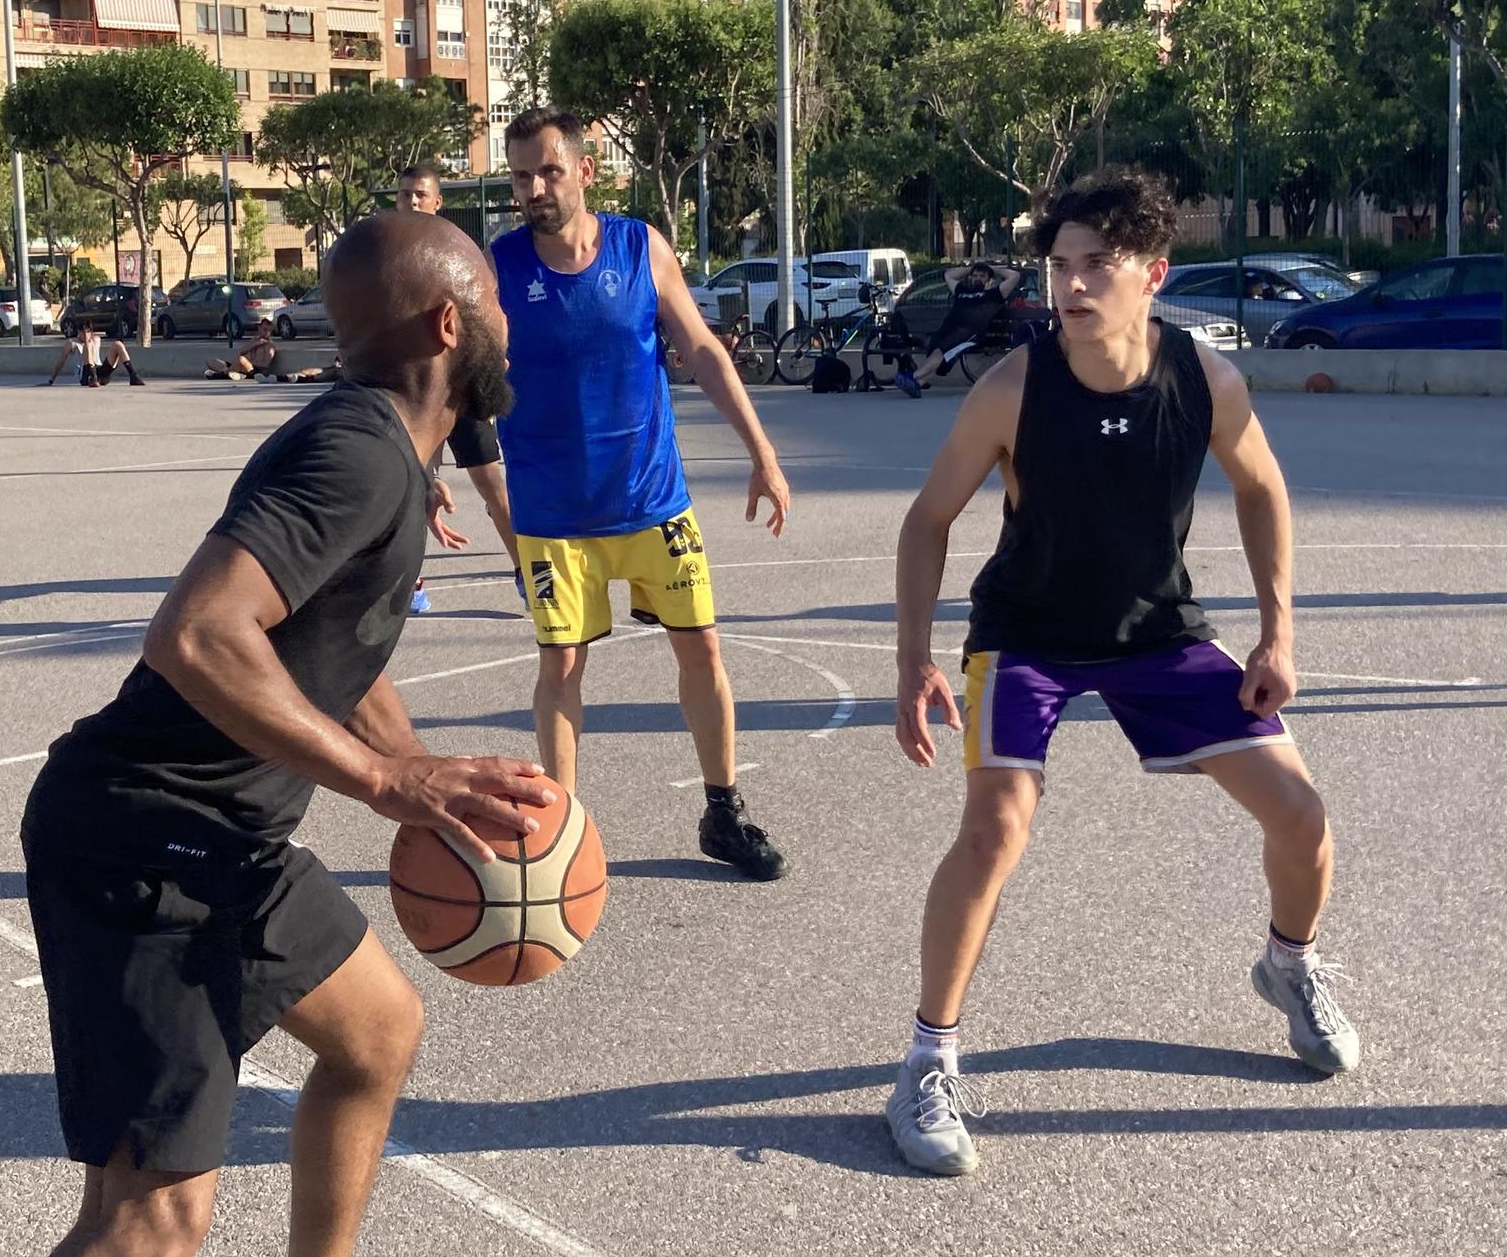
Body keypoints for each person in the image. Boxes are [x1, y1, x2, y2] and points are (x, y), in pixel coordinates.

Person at [8, 210, 540, 1257]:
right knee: (146, 1223)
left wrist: (417, 763)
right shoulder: (354, 455)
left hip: (224, 840)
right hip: (141, 840)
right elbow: (198, 634)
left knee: (377, 1033)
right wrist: (385, 789)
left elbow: (323, 652)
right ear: (449, 323)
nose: (507, 323)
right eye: (492, 304)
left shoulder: (390, 452)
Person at [886, 168, 1359, 1178]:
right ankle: (927, 1060)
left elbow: (1262, 489)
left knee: (1302, 817)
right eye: (1058, 266)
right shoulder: (1012, 387)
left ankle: (1287, 965)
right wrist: (910, 659)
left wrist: (1276, 634)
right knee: (991, 829)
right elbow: (927, 521)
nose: (1070, 285)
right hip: (1026, 635)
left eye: (1095, 265)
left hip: (1155, 632)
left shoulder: (1202, 379)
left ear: (1152, 272)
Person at [494, 107, 792, 881]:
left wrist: (762, 452)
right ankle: (559, 834)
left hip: (653, 502)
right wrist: (424, 471)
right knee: (560, 668)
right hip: (553, 516)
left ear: (585, 171)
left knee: (703, 650)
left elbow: (700, 348)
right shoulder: (498, 268)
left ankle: (723, 811)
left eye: (549, 171)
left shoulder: (638, 247)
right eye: (521, 174)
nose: (534, 188)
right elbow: (453, 378)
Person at [393, 162, 519, 613]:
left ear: (437, 201)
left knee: (492, 483)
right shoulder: (386, 253)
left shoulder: (458, 253)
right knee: (409, 486)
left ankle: (526, 572)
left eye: (420, 195)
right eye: (405, 194)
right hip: (410, 387)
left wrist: (491, 358)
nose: (411, 202)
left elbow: (486, 313)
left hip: (459, 381)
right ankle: (409, 580)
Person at [896, 261, 1025, 398]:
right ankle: (918, 383)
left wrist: (991, 268)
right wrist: (971, 268)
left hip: (968, 332)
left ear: (988, 279)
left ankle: (913, 377)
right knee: (935, 350)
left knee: (941, 352)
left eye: (982, 276)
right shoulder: (961, 291)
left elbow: (1015, 276)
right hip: (949, 327)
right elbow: (949, 275)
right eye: (975, 276)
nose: (977, 279)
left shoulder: (995, 294)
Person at [45, 319, 144, 387]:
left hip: (100, 372)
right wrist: (51, 381)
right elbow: (60, 361)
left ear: (91, 332)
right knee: (87, 345)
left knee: (118, 344)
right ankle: (92, 377)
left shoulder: (96, 339)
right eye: (82, 332)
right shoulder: (71, 343)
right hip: (85, 375)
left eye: (88, 332)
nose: (85, 335)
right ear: (78, 332)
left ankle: (133, 376)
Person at [204, 317, 291, 381]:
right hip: (241, 366)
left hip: (253, 370)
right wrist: (255, 344)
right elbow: (242, 351)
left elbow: (265, 364)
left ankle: (221, 375)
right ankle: (229, 372)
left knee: (241, 359)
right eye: (264, 329)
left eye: (269, 331)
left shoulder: (269, 345)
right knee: (211, 361)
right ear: (259, 328)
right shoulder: (254, 340)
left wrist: (249, 362)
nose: (266, 332)